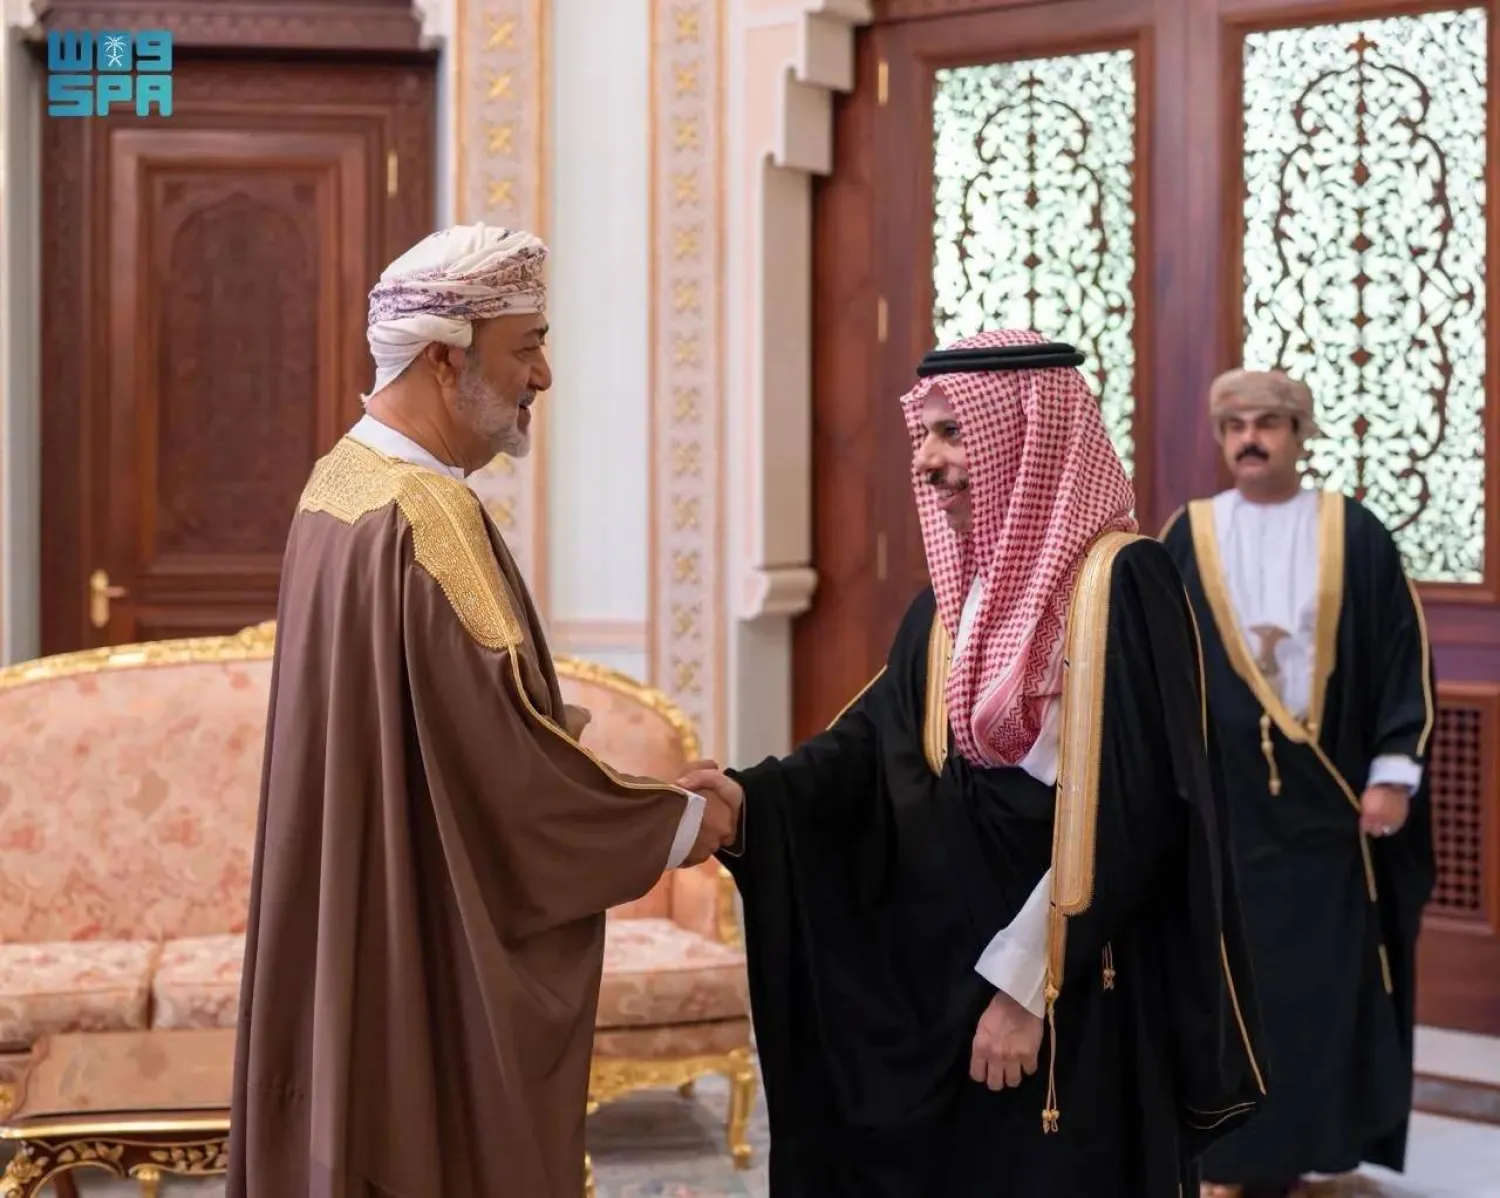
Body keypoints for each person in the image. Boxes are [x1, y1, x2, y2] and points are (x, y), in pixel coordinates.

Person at [680, 330, 1268, 1197]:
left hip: (1074, 984)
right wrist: (748, 801)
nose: (929, 461)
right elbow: (869, 748)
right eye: (923, 436)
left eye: (953, 434)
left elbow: (1131, 810)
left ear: (1025, 436)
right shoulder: (958, 599)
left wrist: (1026, 986)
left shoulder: (1123, 585)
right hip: (955, 966)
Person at [226, 224, 738, 1198]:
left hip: (369, 908)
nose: (542, 373)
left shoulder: (338, 485)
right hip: (422, 932)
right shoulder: (430, 518)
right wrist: (680, 822)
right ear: (444, 358)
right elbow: (509, 775)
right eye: (526, 344)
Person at [1160, 369, 1436, 1198]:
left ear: (1298, 432)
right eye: (1235, 424)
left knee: (1318, 987)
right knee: (1227, 986)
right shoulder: (1189, 534)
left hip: (1328, 810)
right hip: (1224, 813)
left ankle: (1307, 1152)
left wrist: (1392, 775)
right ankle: (1230, 1162)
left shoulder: (1353, 532)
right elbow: (1161, 670)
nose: (1251, 438)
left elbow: (1400, 655)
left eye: (1269, 423)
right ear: (1219, 438)